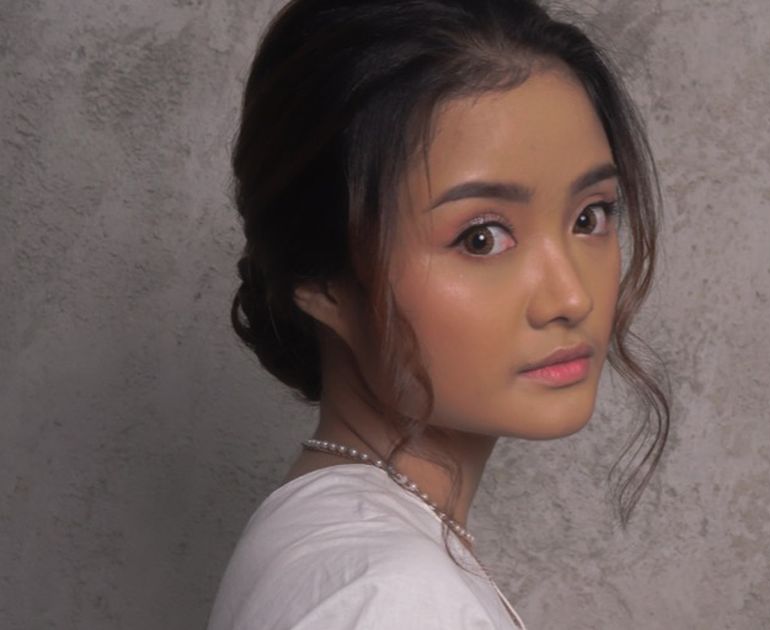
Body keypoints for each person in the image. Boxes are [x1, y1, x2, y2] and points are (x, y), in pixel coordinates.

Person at [207, 0, 670, 628]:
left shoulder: (339, 549)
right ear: (321, 280)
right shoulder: (391, 597)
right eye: (482, 238)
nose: (572, 298)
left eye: (590, 217)